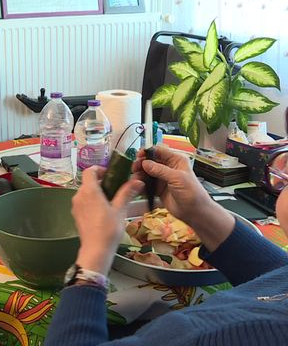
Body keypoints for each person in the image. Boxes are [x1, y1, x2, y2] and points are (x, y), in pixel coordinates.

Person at [45, 145, 288, 345]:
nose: (284, 163)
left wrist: (93, 257)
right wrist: (199, 210)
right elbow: (278, 276)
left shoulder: (215, 335)